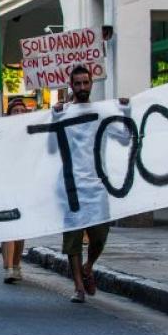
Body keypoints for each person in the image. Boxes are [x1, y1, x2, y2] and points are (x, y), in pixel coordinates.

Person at [50, 66, 130, 303]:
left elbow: (124, 138)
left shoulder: (103, 112)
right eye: (78, 83)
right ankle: (78, 287)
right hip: (71, 187)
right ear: (71, 85)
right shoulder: (63, 113)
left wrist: (125, 111)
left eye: (86, 83)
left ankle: (88, 266)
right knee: (73, 240)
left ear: (91, 83)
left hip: (97, 185)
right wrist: (54, 116)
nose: (82, 87)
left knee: (100, 236)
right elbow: (51, 147)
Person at [1, 98, 30, 284]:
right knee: (8, 227)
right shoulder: (2, 132)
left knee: (21, 229)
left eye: (22, 110)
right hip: (5, 184)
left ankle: (17, 264)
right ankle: (8, 267)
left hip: (25, 184)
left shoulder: (30, 132)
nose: (19, 114)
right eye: (15, 111)